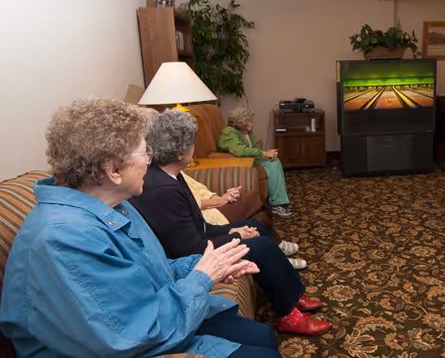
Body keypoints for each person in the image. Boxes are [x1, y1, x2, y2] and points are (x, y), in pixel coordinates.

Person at [0, 97, 291, 357]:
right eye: (144, 154)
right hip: (138, 339)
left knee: (262, 335)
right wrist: (203, 278)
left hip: (155, 317)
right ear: (113, 170)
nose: (150, 162)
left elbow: (153, 270)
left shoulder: (116, 203)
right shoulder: (63, 239)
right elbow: (133, 334)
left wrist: (209, 265)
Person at [129, 109, 328, 336]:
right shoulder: (164, 189)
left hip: (196, 241)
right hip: (189, 257)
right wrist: (236, 236)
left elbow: (198, 226)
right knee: (260, 246)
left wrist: (234, 228)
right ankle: (290, 316)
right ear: (181, 154)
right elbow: (191, 247)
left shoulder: (171, 174)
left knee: (257, 228)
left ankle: (292, 294)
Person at [141, 107, 301, 259]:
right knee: (258, 220)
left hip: (208, 223)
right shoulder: (163, 186)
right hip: (208, 225)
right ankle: (276, 248)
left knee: (258, 221)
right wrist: (223, 205)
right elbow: (193, 242)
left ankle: (276, 251)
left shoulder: (174, 174)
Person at [218, 107, 295, 217]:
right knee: (272, 164)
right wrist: (264, 154)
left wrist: (268, 155)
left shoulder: (248, 132)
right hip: (241, 164)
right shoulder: (228, 133)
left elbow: (255, 148)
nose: (253, 122)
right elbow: (240, 150)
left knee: (275, 162)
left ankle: (280, 203)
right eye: (250, 120)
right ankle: (277, 205)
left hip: (252, 160)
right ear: (241, 122)